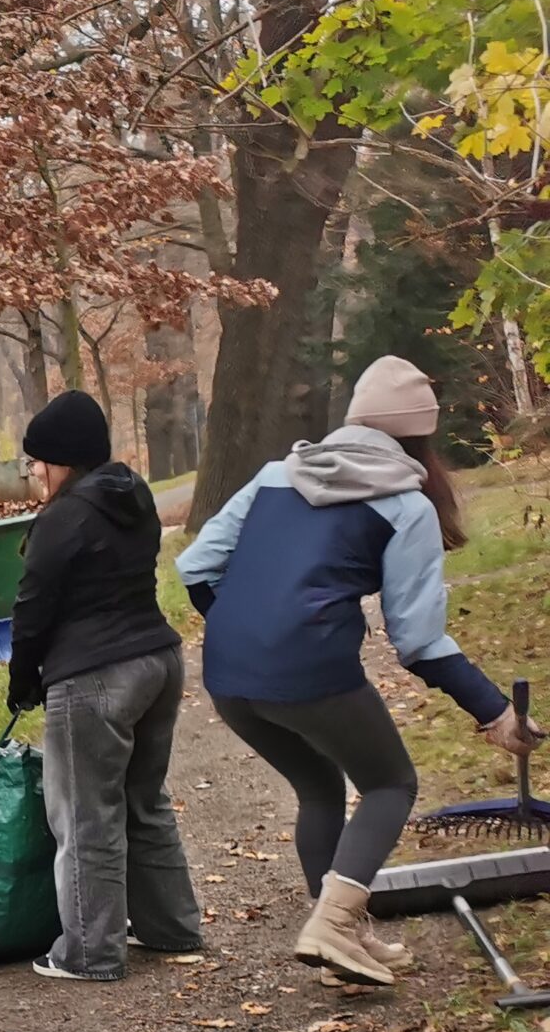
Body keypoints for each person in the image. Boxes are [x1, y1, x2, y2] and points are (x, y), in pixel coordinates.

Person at [176, 354, 538, 985]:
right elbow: (419, 639)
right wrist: (494, 711)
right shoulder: (405, 506)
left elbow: (196, 567)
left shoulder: (274, 475)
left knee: (318, 786)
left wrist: (247, 628)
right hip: (310, 670)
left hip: (228, 672)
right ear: (418, 437)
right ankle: (335, 924)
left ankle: (337, 943)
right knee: (390, 784)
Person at [5, 390, 202, 981]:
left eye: (40, 460)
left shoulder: (64, 517)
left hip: (96, 677)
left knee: (85, 816)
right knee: (145, 803)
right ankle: (172, 929)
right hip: (158, 660)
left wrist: (23, 678)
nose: (35, 471)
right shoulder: (132, 496)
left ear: (64, 460)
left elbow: (33, 606)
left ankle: (89, 952)